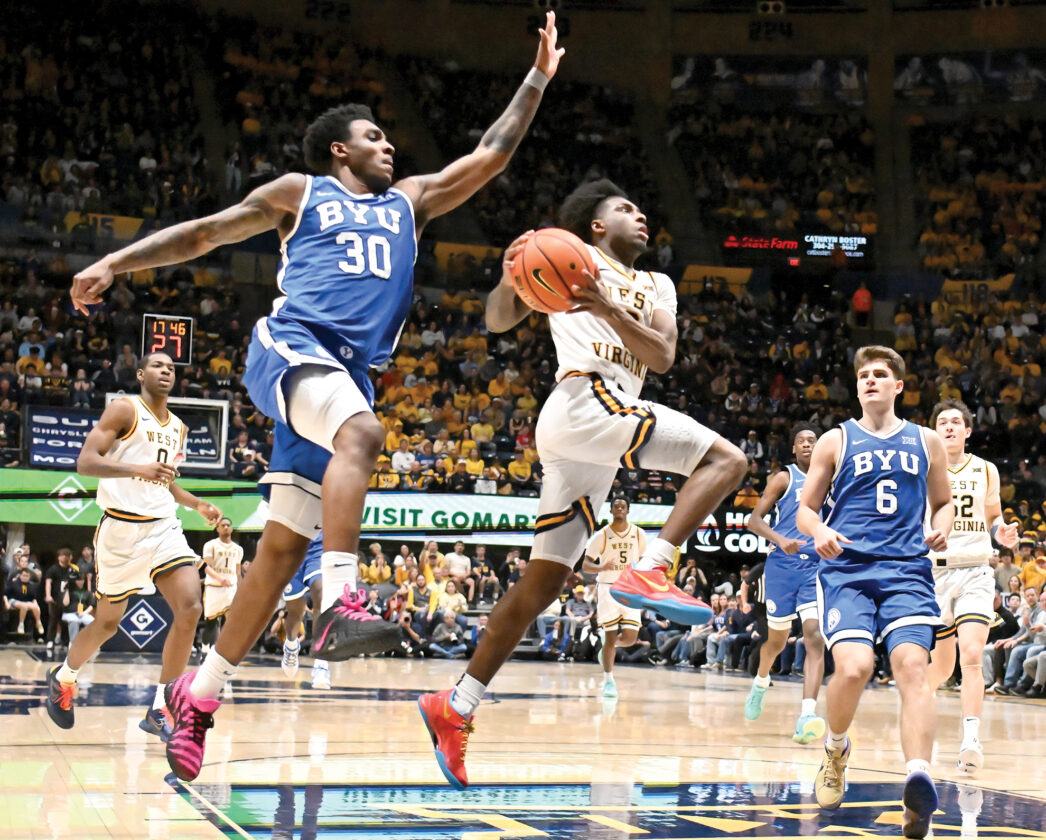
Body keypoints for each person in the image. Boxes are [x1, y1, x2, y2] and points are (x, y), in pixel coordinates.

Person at [71, 15, 564, 783]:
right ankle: (341, 598)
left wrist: (537, 77)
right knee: (362, 434)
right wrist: (117, 261)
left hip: (344, 376)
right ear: (340, 149)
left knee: (277, 553)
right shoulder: (300, 193)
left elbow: (491, 154)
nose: (388, 145)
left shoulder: (410, 202)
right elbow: (203, 234)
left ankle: (199, 695)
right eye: (373, 136)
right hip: (293, 346)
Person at [418, 178, 747, 789]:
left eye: (640, 206)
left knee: (543, 583)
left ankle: (455, 704)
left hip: (596, 428)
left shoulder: (658, 284)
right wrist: (510, 276)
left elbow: (662, 357)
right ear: (596, 226)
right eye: (625, 208)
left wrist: (607, 308)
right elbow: (497, 319)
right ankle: (652, 567)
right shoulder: (569, 255)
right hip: (584, 399)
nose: (640, 214)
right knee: (728, 462)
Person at [797, 346, 952, 840]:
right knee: (854, 668)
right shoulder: (835, 439)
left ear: (898, 386)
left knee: (912, 667)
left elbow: (943, 502)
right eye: (863, 374)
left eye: (880, 374)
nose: (870, 380)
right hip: (848, 570)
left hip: (907, 570)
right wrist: (819, 530)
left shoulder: (926, 441)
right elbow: (805, 509)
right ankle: (835, 749)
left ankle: (918, 782)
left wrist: (943, 526)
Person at [44, 353, 222, 741]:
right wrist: (136, 469)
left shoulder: (178, 428)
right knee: (107, 623)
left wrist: (196, 503)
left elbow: (164, 480)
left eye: (171, 367)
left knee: (191, 606)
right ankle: (64, 677)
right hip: (120, 532)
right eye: (158, 365)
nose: (166, 371)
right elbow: (86, 462)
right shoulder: (125, 410)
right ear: (141, 374)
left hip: (162, 527)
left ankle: (160, 707)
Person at [925, 400, 1019, 774]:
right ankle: (919, 708)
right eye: (942, 422)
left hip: (976, 570)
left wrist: (1002, 533)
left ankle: (971, 739)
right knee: (941, 667)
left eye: (955, 422)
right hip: (934, 575)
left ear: (967, 430)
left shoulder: (986, 469)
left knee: (972, 654)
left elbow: (993, 518)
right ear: (934, 431)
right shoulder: (923, 467)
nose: (948, 427)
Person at [743, 423, 827, 744]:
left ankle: (807, 715)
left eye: (812, 440)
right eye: (801, 441)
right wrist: (780, 539)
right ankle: (761, 682)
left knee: (814, 637)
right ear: (793, 448)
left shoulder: (830, 479)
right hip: (782, 565)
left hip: (814, 566)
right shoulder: (783, 478)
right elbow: (753, 520)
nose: (806, 444)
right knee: (776, 643)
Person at [580, 497, 646, 698]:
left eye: (622, 506)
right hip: (608, 588)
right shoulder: (601, 535)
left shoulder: (638, 533)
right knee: (610, 636)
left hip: (630, 588)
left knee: (630, 638)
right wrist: (601, 567)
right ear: (611, 511)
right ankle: (609, 681)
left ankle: (608, 647)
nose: (619, 509)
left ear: (628, 510)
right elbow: (585, 565)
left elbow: (644, 561)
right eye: (616, 506)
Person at [281, 534, 331, 689]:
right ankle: (291, 645)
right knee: (295, 613)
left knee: (321, 594)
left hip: (318, 549)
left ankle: (321, 662)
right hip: (292, 549)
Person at [199, 518, 245, 653]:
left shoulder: (238, 549)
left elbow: (238, 572)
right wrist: (220, 579)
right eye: (223, 525)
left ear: (231, 528)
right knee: (211, 623)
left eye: (228, 525)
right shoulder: (210, 545)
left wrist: (241, 589)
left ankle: (228, 651)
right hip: (214, 587)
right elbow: (207, 567)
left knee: (232, 621)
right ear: (217, 528)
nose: (226, 527)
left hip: (231, 588)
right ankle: (205, 649)